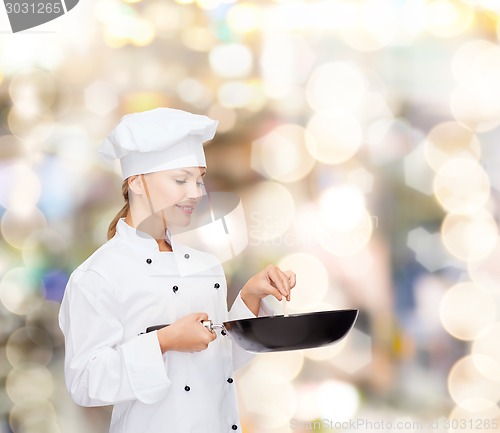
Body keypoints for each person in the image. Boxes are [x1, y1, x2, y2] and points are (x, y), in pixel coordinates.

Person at [58, 107, 296, 433]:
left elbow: (220, 363)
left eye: (199, 181)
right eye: (181, 180)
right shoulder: (98, 276)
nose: (196, 193)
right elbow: (85, 383)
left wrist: (251, 296)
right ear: (138, 183)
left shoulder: (205, 265)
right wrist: (164, 341)